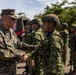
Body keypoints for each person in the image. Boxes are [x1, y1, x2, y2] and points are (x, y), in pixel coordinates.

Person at [0, 9, 39, 75]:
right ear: (5, 19)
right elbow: (1, 52)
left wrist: (34, 47)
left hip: (12, 70)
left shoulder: (11, 31)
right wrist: (19, 56)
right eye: (13, 19)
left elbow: (19, 44)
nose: (15, 21)